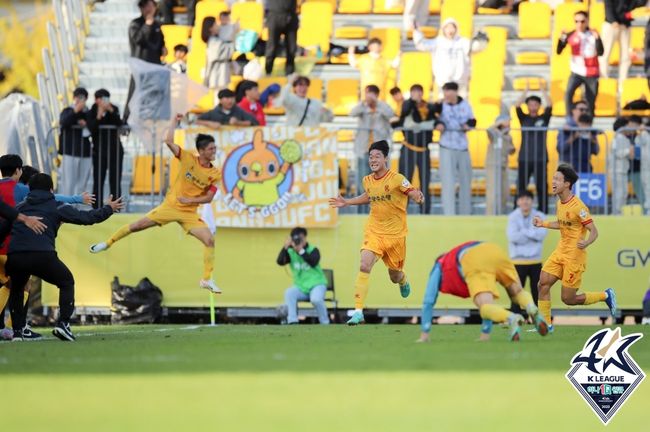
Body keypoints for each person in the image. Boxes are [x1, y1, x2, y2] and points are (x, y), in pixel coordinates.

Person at [90, 118, 222, 294]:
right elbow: (168, 141)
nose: (214, 151)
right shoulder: (188, 158)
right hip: (170, 207)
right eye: (211, 148)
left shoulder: (215, 173)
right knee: (137, 226)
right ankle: (107, 243)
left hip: (189, 213)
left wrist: (190, 201)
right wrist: (174, 122)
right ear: (202, 151)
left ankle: (206, 279)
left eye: (215, 148)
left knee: (209, 240)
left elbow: (209, 198)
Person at [3, 173, 123, 341]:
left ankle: (17, 332)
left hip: (16, 256)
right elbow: (87, 218)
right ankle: (63, 324)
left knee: (16, 289)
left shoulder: (18, 208)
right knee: (66, 282)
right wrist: (109, 208)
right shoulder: (57, 206)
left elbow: (2, 231)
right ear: (51, 189)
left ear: (29, 189)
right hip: (42, 255)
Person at [329, 140, 425, 325]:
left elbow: (411, 191)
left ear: (385, 159)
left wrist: (417, 197)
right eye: (371, 157)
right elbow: (370, 196)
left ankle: (403, 279)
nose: (373, 160)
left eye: (377, 156)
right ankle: (358, 311)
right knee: (364, 265)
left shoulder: (397, 178)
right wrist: (347, 202)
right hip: (374, 231)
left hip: (396, 236)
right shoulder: (367, 180)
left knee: (394, 275)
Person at [533, 164, 617, 331]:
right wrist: (543, 224)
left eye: (557, 179)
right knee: (542, 284)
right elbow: (563, 224)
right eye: (553, 178)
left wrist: (586, 242)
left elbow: (594, 230)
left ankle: (605, 295)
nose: (553, 182)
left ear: (567, 184)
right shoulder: (559, 203)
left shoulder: (579, 207)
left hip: (574, 256)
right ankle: (545, 324)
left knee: (568, 299)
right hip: (560, 251)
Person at [417, 241, 548, 343]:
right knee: (517, 292)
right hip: (494, 250)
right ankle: (531, 306)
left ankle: (512, 318)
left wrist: (424, 334)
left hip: (475, 259)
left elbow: (428, 301)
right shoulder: (457, 252)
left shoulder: (440, 263)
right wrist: (485, 335)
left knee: (485, 307)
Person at [435, 81, 477, 215]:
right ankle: (449, 213)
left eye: (449, 91)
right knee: (448, 181)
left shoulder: (466, 105)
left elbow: (473, 121)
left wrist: (468, 126)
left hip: (463, 147)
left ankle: (465, 212)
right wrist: (439, 124)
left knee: (466, 180)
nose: (446, 94)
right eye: (445, 91)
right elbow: (434, 119)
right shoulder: (439, 105)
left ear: (455, 92)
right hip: (446, 146)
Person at [395, 84, 436, 214]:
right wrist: (412, 101)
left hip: (424, 150)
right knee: (405, 183)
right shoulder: (407, 104)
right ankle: (401, 212)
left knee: (425, 182)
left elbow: (436, 120)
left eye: (419, 92)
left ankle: (425, 211)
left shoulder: (428, 107)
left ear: (422, 93)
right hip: (409, 149)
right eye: (414, 92)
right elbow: (405, 111)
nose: (417, 94)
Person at [413, 18, 478, 98]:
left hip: (460, 81)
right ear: (443, 29)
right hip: (443, 82)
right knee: (444, 105)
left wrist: (480, 40)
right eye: (447, 27)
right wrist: (417, 31)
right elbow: (421, 45)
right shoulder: (438, 42)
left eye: (452, 27)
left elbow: (475, 48)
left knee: (460, 104)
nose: (450, 30)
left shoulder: (463, 42)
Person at [277, 227, 329, 325]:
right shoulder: (290, 251)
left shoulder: (313, 249)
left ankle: (325, 322)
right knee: (289, 293)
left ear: (305, 238)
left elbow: (313, 262)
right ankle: (292, 321)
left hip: (317, 285)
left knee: (316, 299)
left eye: (300, 238)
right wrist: (285, 247)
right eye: (295, 239)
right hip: (301, 287)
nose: (298, 241)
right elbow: (280, 262)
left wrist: (301, 251)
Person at [124, 0, 166, 123]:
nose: (148, 8)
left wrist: (163, 49)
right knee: (135, 93)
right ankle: (127, 120)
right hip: (140, 66)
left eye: (150, 5)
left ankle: (153, 120)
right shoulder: (135, 24)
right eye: (144, 5)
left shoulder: (158, 25)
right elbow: (137, 39)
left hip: (154, 66)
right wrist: (147, 25)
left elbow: (160, 43)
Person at [514, 82, 553, 213]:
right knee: (521, 186)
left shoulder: (544, 118)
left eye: (535, 104)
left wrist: (543, 90)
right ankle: (517, 210)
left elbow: (550, 105)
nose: (533, 106)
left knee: (542, 186)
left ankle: (543, 211)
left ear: (539, 106)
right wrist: (525, 90)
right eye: (530, 104)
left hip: (541, 158)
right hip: (524, 157)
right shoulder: (523, 118)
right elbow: (517, 105)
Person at [350, 85, 395, 196]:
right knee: (363, 180)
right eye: (367, 93)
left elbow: (390, 114)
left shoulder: (383, 107)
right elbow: (352, 113)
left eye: (371, 94)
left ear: (377, 95)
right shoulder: (362, 107)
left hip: (379, 151)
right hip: (363, 149)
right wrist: (364, 103)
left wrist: (377, 103)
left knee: (380, 181)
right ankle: (362, 210)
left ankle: (379, 209)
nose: (368, 96)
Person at [557, 10, 603, 116]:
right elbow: (559, 51)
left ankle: (589, 122)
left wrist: (598, 39)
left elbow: (601, 52)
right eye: (576, 21)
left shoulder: (593, 34)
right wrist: (561, 39)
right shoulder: (571, 34)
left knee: (590, 99)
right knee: (568, 94)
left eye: (582, 21)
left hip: (591, 71)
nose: (579, 24)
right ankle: (569, 119)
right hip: (576, 71)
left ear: (587, 21)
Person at [507, 190, 547, 312]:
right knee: (516, 292)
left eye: (528, 198)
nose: (525, 201)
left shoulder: (540, 216)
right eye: (522, 199)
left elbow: (541, 235)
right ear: (518, 201)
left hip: (535, 260)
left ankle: (539, 320)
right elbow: (513, 237)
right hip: (518, 261)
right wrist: (532, 232)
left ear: (532, 201)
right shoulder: (512, 217)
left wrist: (523, 231)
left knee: (538, 292)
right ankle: (515, 317)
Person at [87, 89, 124, 209]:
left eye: (107, 99)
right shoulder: (92, 110)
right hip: (99, 150)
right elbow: (91, 128)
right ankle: (96, 207)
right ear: (97, 100)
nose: (105, 102)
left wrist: (110, 110)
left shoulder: (114, 108)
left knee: (115, 179)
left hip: (115, 150)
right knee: (98, 179)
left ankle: (116, 206)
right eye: (102, 99)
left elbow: (120, 123)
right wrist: (99, 115)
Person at [600, 0, 646, 91]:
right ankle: (604, 81)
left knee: (625, 57)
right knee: (604, 55)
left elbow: (639, 3)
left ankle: (622, 85)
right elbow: (608, 5)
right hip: (611, 25)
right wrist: (613, 20)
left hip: (625, 25)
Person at [58, 87, 92, 196]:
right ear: (74, 98)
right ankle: (67, 207)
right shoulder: (68, 110)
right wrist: (76, 111)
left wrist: (86, 123)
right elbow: (64, 121)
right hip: (69, 152)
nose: (80, 100)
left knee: (82, 184)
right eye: (78, 97)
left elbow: (94, 125)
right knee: (68, 183)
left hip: (85, 153)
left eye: (83, 98)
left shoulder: (89, 113)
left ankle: (79, 207)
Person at [486, 114, 515, 215]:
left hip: (504, 165)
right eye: (507, 121)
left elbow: (511, 150)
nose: (509, 124)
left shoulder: (508, 136)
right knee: (493, 192)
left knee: (504, 193)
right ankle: (490, 215)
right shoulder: (494, 133)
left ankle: (500, 213)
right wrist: (498, 123)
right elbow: (489, 129)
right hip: (493, 164)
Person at [202, 16, 235, 98]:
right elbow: (224, 53)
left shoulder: (217, 40)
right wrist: (233, 42)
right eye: (215, 24)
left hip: (221, 73)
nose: (218, 26)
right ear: (210, 28)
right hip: (217, 74)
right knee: (219, 97)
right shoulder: (213, 41)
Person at [264, 0, 299, 75]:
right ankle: (268, 71)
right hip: (274, 14)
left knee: (291, 48)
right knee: (272, 46)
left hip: (290, 14)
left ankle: (290, 73)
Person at [609, 117, 634, 215]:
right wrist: (629, 151)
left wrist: (630, 152)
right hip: (617, 170)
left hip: (623, 170)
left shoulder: (625, 139)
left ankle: (620, 212)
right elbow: (617, 153)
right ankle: (616, 212)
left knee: (624, 192)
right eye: (628, 126)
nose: (630, 128)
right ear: (623, 127)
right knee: (619, 193)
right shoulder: (617, 138)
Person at [629, 115, 650, 211]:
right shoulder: (638, 136)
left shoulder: (644, 134)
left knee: (646, 188)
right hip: (642, 167)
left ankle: (647, 209)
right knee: (645, 187)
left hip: (643, 168)